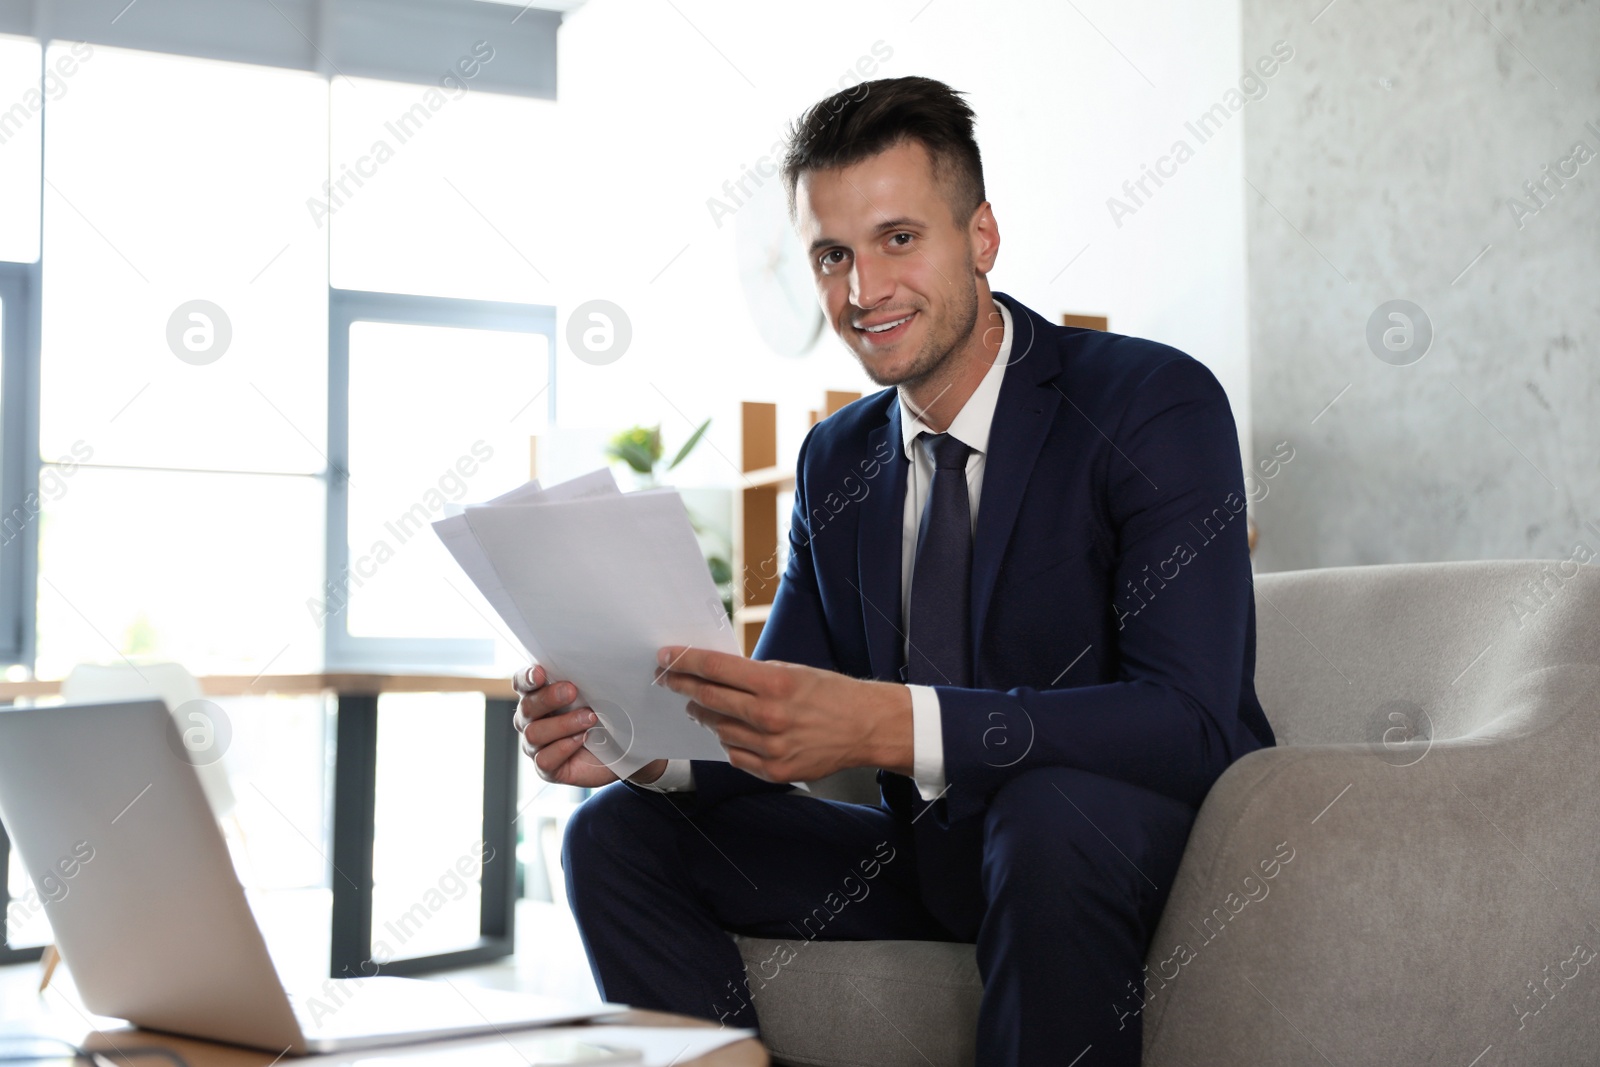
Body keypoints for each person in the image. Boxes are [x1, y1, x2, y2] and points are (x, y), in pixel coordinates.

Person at [513, 75, 1275, 1066]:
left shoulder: (1150, 403)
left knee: (1044, 816)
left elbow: (1192, 718)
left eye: (898, 239)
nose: (862, 291)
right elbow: (764, 718)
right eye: (833, 255)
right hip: (936, 854)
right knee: (615, 833)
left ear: (981, 238)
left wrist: (882, 720)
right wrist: (633, 745)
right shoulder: (837, 458)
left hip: (1119, 847)